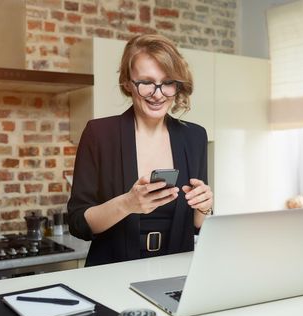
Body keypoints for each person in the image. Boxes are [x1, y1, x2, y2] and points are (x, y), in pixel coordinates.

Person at [67, 34, 213, 267]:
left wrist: (205, 207)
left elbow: (198, 225)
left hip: (175, 271)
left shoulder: (194, 136)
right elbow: (77, 223)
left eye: (167, 83)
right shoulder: (99, 134)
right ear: (127, 83)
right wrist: (127, 204)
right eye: (146, 82)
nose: (158, 94)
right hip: (110, 273)